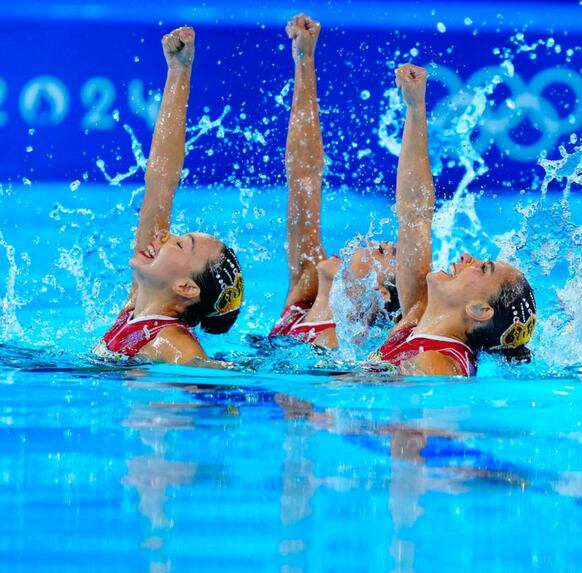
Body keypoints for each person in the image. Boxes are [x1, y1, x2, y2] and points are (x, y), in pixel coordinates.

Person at [366, 64, 538, 376]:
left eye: (483, 268)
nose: (467, 257)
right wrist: (416, 108)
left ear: (479, 310)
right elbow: (414, 215)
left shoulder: (442, 365)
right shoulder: (417, 318)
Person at [94, 27, 244, 366]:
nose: (163, 236)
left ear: (186, 288)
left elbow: (208, 380)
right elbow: (161, 180)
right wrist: (178, 71)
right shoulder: (138, 307)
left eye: (179, 244)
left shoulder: (172, 342)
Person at [268, 13, 400, 350]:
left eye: (380, 250)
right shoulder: (303, 296)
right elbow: (303, 176)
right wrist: (304, 60)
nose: (363, 244)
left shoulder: (344, 350)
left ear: (379, 292)